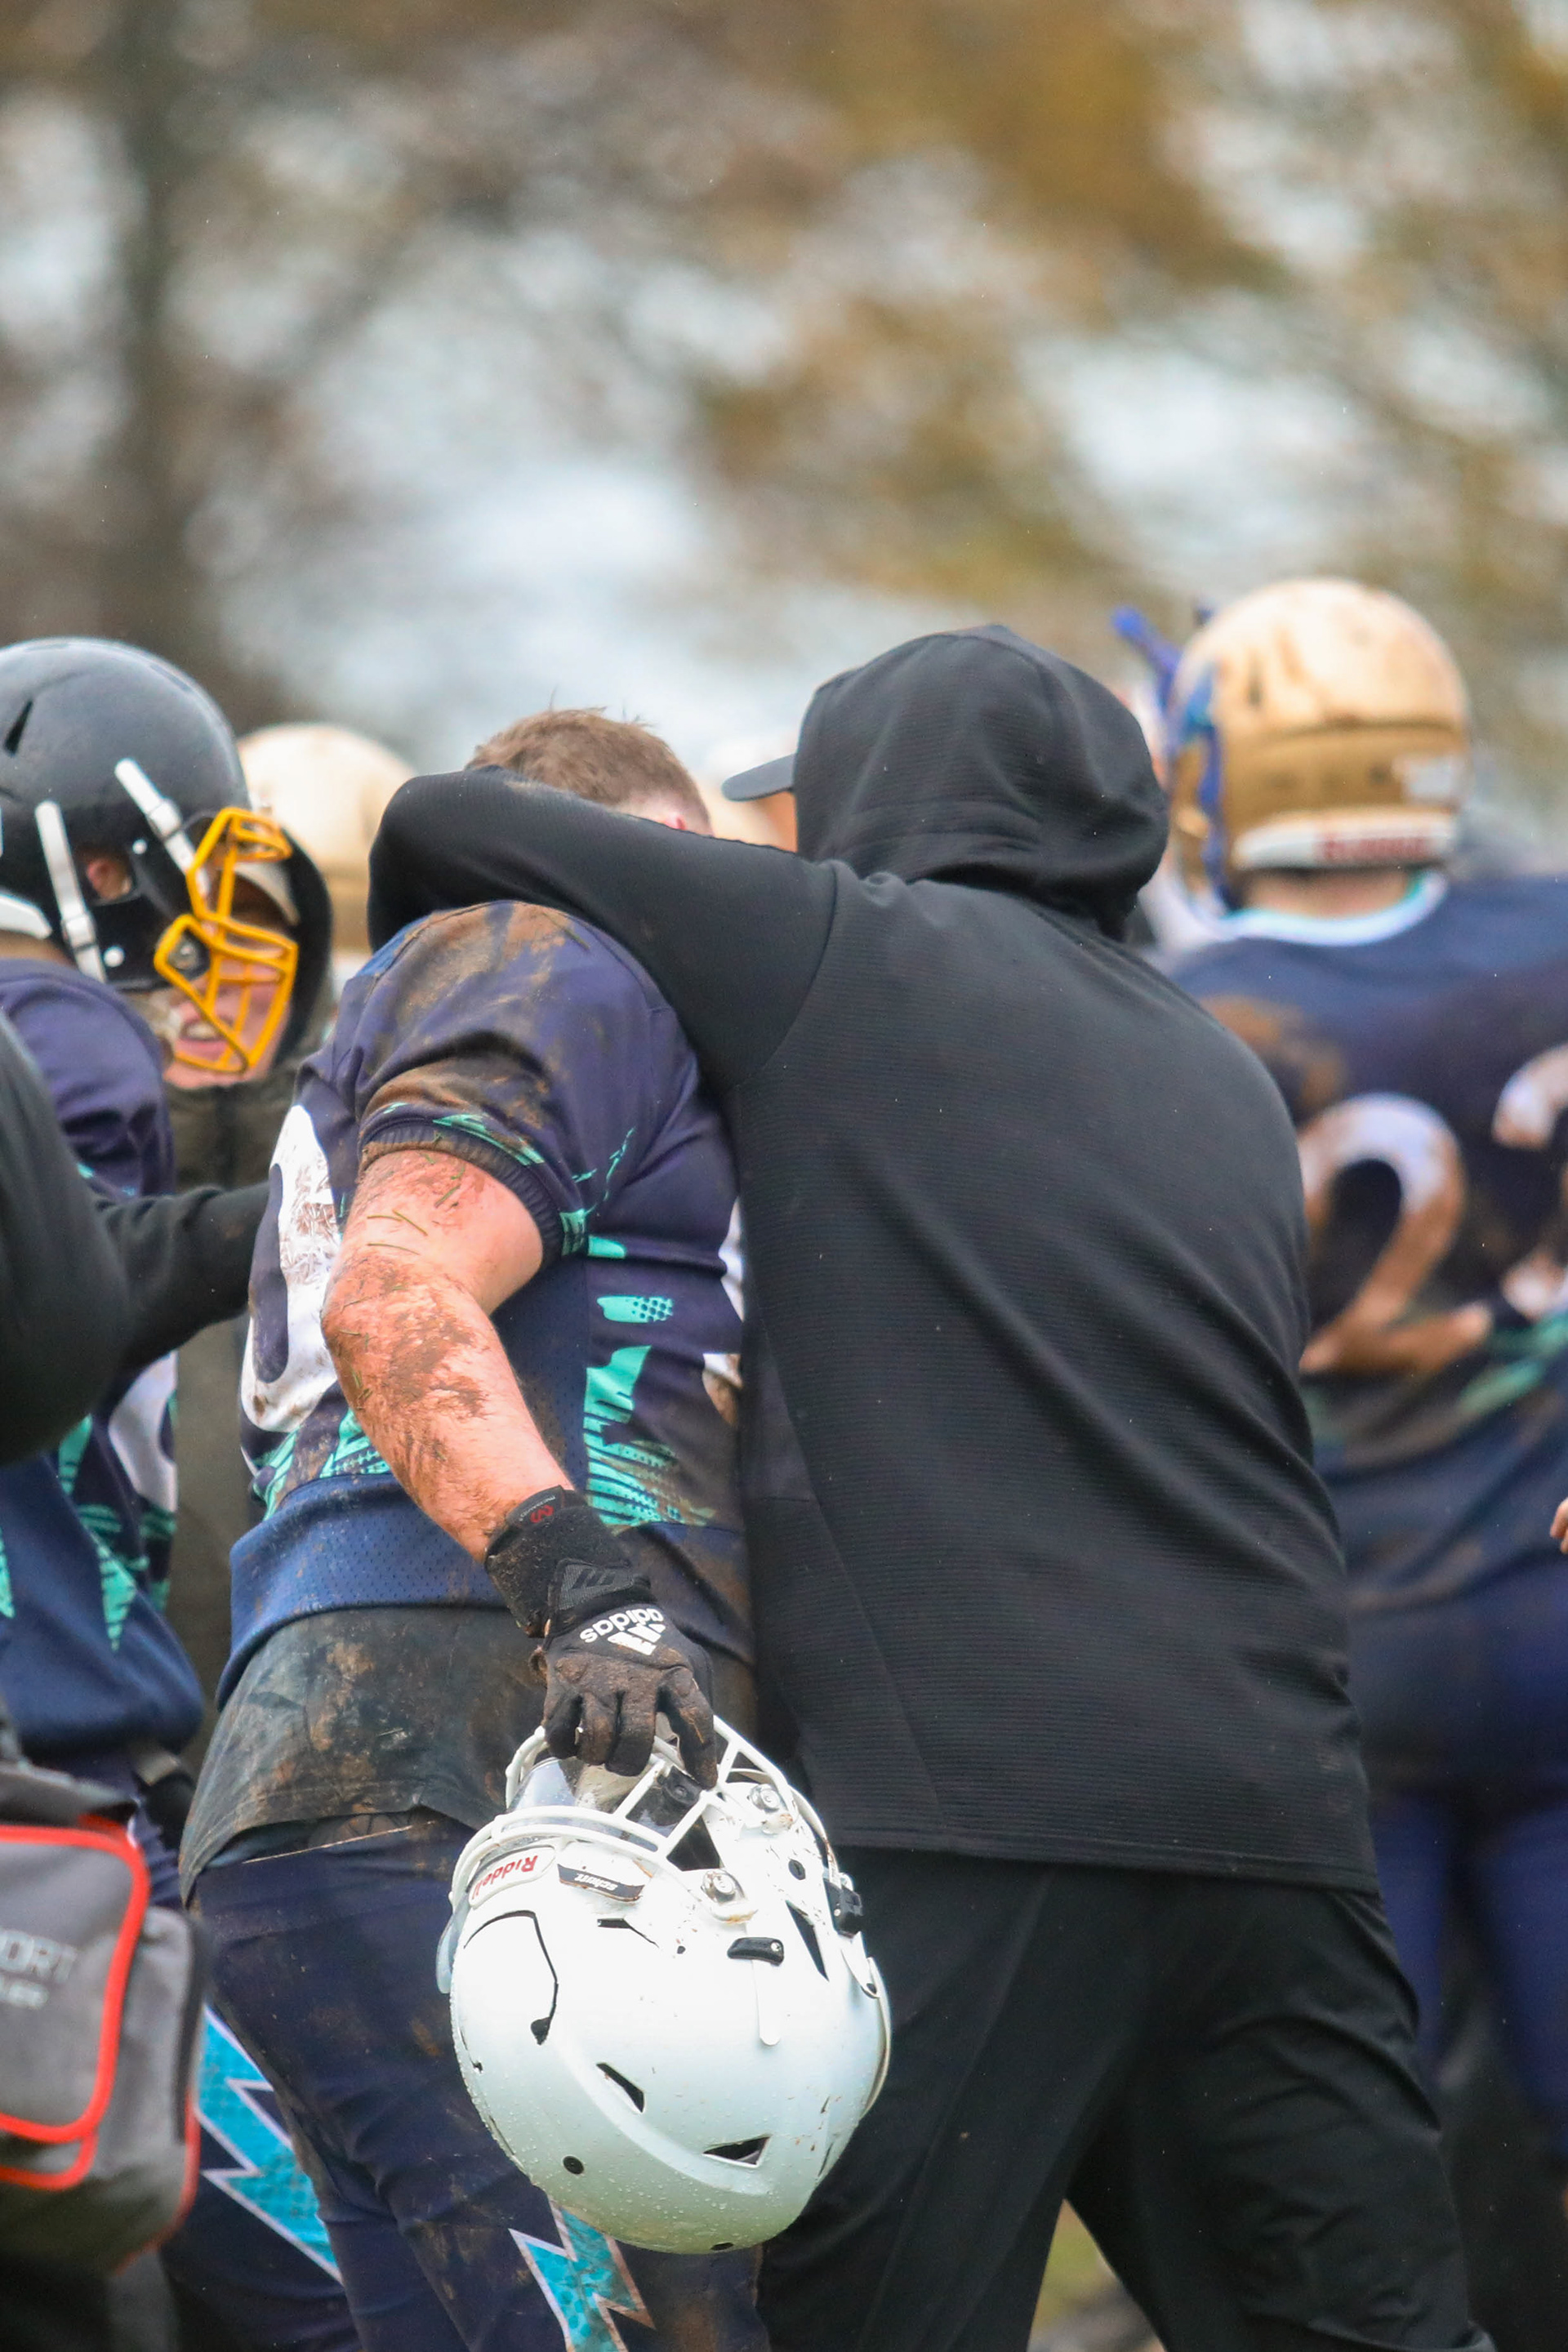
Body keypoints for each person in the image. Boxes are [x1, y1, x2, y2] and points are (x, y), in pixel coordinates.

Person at [366, 622, 1488, 2352]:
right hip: (1277, 1826)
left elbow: (449, 819)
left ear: (885, 801)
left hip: (970, 1824)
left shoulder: (843, 952)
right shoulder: (1220, 1072)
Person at [181, 706, 761, 2352]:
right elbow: (395, 1289)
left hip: (367, 1771)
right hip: (449, 1759)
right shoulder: (552, 954)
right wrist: (583, 1583)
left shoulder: (476, 1000)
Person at [1148, 579, 1568, 2341]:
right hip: (1552, 1619)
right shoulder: (1550, 937)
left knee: (1351, 2169)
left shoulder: (1189, 1014)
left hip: (1329, 1660)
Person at [0, 635, 352, 2352]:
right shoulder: (51, 1020)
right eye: (172, 872)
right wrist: (262, 1223)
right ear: (97, 860)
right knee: (322, 2291)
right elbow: (60, 1291)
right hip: (46, 1800)